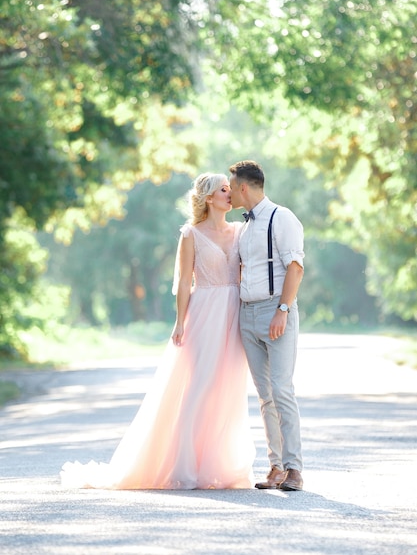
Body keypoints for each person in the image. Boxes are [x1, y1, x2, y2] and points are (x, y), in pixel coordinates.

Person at [60, 172, 255, 490]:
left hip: (235, 313)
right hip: (204, 313)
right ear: (209, 198)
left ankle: (218, 466)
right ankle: (184, 466)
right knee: (199, 387)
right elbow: (182, 283)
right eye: (223, 189)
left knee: (229, 389)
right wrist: (180, 322)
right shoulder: (191, 233)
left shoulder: (240, 231)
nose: (230, 192)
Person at [229, 160, 304, 491]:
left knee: (282, 389)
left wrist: (283, 309)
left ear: (243, 187)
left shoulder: (281, 217)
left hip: (277, 311)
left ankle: (295, 469)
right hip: (248, 316)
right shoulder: (244, 227)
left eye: (231, 187)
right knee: (264, 396)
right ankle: (275, 468)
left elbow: (296, 267)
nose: (229, 193)